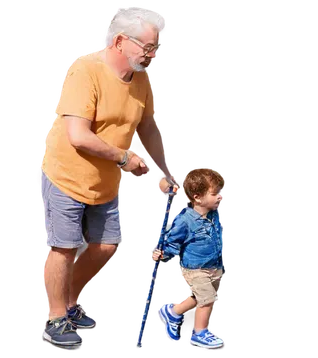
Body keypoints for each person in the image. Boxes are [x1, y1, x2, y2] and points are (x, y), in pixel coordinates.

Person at [40, 6, 177, 351]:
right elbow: (78, 135)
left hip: (104, 180)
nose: (153, 55)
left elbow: (147, 126)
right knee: (64, 247)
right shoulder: (87, 69)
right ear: (119, 41)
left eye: (156, 48)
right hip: (67, 175)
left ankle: (70, 300)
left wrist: (164, 170)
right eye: (147, 48)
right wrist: (125, 157)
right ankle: (54, 318)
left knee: (107, 245)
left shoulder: (141, 79)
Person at [151, 167, 227, 350]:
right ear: (197, 197)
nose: (220, 197)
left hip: (214, 264)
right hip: (196, 268)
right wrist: (162, 253)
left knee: (201, 296)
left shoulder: (213, 213)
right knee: (207, 299)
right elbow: (172, 241)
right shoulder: (184, 219)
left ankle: (171, 311)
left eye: (220, 193)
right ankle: (199, 333)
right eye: (215, 194)